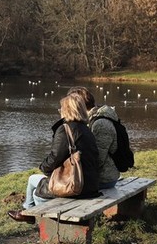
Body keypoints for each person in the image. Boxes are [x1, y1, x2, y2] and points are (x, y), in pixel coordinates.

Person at [8, 93, 100, 223]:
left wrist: (43, 167)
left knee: (36, 190)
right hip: (91, 185)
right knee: (37, 183)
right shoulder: (87, 130)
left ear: (66, 110)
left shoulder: (65, 129)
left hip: (76, 186)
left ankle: (37, 217)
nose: (60, 111)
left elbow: (55, 157)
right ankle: (27, 212)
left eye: (61, 108)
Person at [67, 86, 120, 189]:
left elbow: (98, 158)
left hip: (103, 178)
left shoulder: (101, 124)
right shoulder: (90, 120)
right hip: (94, 176)